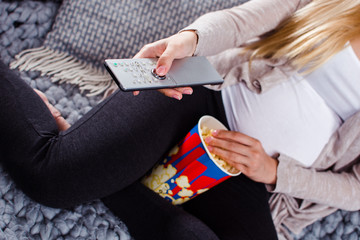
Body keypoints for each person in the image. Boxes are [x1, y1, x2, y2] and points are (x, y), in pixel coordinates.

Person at [1, 0, 360, 239]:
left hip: (254, 179)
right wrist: (190, 40)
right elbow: (238, 22)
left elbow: (355, 189)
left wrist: (275, 172)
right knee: (52, 177)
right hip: (197, 98)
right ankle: (80, 147)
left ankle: (92, 149)